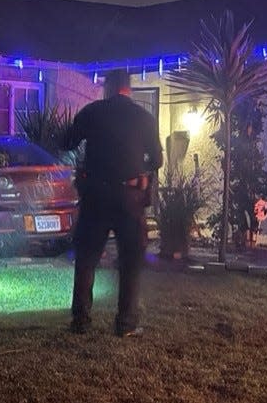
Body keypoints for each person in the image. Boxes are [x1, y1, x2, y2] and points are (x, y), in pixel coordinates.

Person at [65, 69, 163, 337]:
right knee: (130, 260)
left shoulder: (92, 112)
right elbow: (156, 160)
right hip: (129, 196)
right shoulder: (144, 118)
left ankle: (81, 321)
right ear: (128, 88)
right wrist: (136, 168)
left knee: (86, 258)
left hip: (95, 194)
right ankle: (126, 323)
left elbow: (67, 141)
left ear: (108, 87)